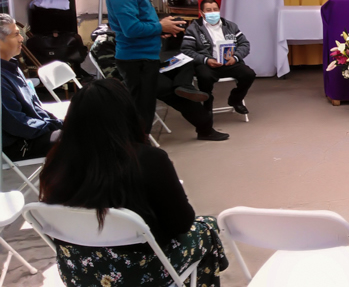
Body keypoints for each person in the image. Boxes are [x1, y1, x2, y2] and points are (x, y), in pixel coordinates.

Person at [38, 79, 228, 286]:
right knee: (207, 227)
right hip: (139, 271)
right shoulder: (149, 159)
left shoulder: (57, 160)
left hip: (78, 271)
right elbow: (182, 223)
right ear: (127, 114)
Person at [106, 0, 206, 134]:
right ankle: (138, 148)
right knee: (142, 112)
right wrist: (160, 27)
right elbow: (130, 29)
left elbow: (140, 22)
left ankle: (202, 119)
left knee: (182, 69)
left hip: (146, 56)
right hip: (136, 59)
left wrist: (161, 30)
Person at [90, 28, 229, 141]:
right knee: (175, 94)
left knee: (187, 61)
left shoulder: (124, 33)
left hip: (150, 66)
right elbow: (115, 74)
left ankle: (183, 86)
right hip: (135, 77)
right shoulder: (104, 43)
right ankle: (205, 128)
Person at [0, 14, 62, 161]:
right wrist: (55, 125)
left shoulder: (12, 67)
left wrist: (58, 122)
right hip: (20, 144)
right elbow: (18, 124)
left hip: (34, 133)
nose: (21, 38)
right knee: (85, 138)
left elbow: (35, 107)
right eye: (16, 35)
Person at [181, 0, 255, 115]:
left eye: (215, 9)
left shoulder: (230, 26)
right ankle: (207, 104)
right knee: (204, 76)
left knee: (249, 74)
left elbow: (245, 44)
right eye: (208, 10)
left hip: (229, 62)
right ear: (202, 13)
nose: (213, 12)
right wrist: (206, 60)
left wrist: (235, 57)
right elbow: (186, 50)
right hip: (207, 64)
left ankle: (236, 100)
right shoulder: (194, 29)